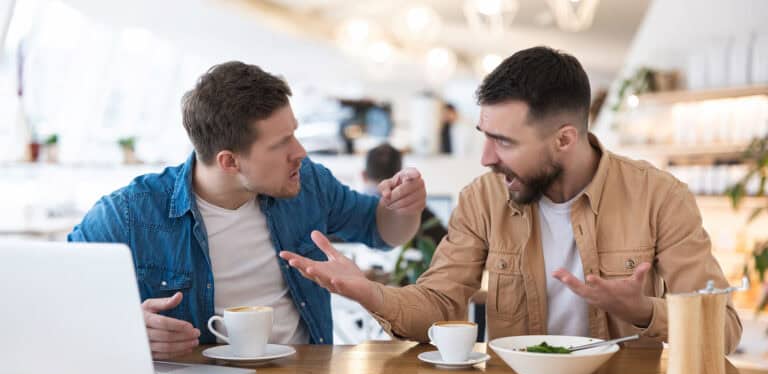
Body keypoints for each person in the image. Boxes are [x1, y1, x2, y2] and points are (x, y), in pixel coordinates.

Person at [280, 46, 743, 352]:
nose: (484, 158)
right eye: (484, 135)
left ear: (564, 139)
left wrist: (642, 310)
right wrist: (371, 293)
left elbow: (723, 329)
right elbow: (439, 303)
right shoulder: (482, 200)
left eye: (503, 142)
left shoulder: (660, 196)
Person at [68, 61, 427, 359]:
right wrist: (125, 327)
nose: (300, 151)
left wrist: (405, 208)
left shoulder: (309, 182)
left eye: (295, 134)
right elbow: (57, 298)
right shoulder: (130, 212)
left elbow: (382, 231)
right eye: (281, 143)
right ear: (229, 162)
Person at [362, 143, 447, 248]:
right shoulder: (422, 215)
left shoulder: (351, 215)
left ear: (363, 175)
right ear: (399, 175)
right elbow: (446, 246)